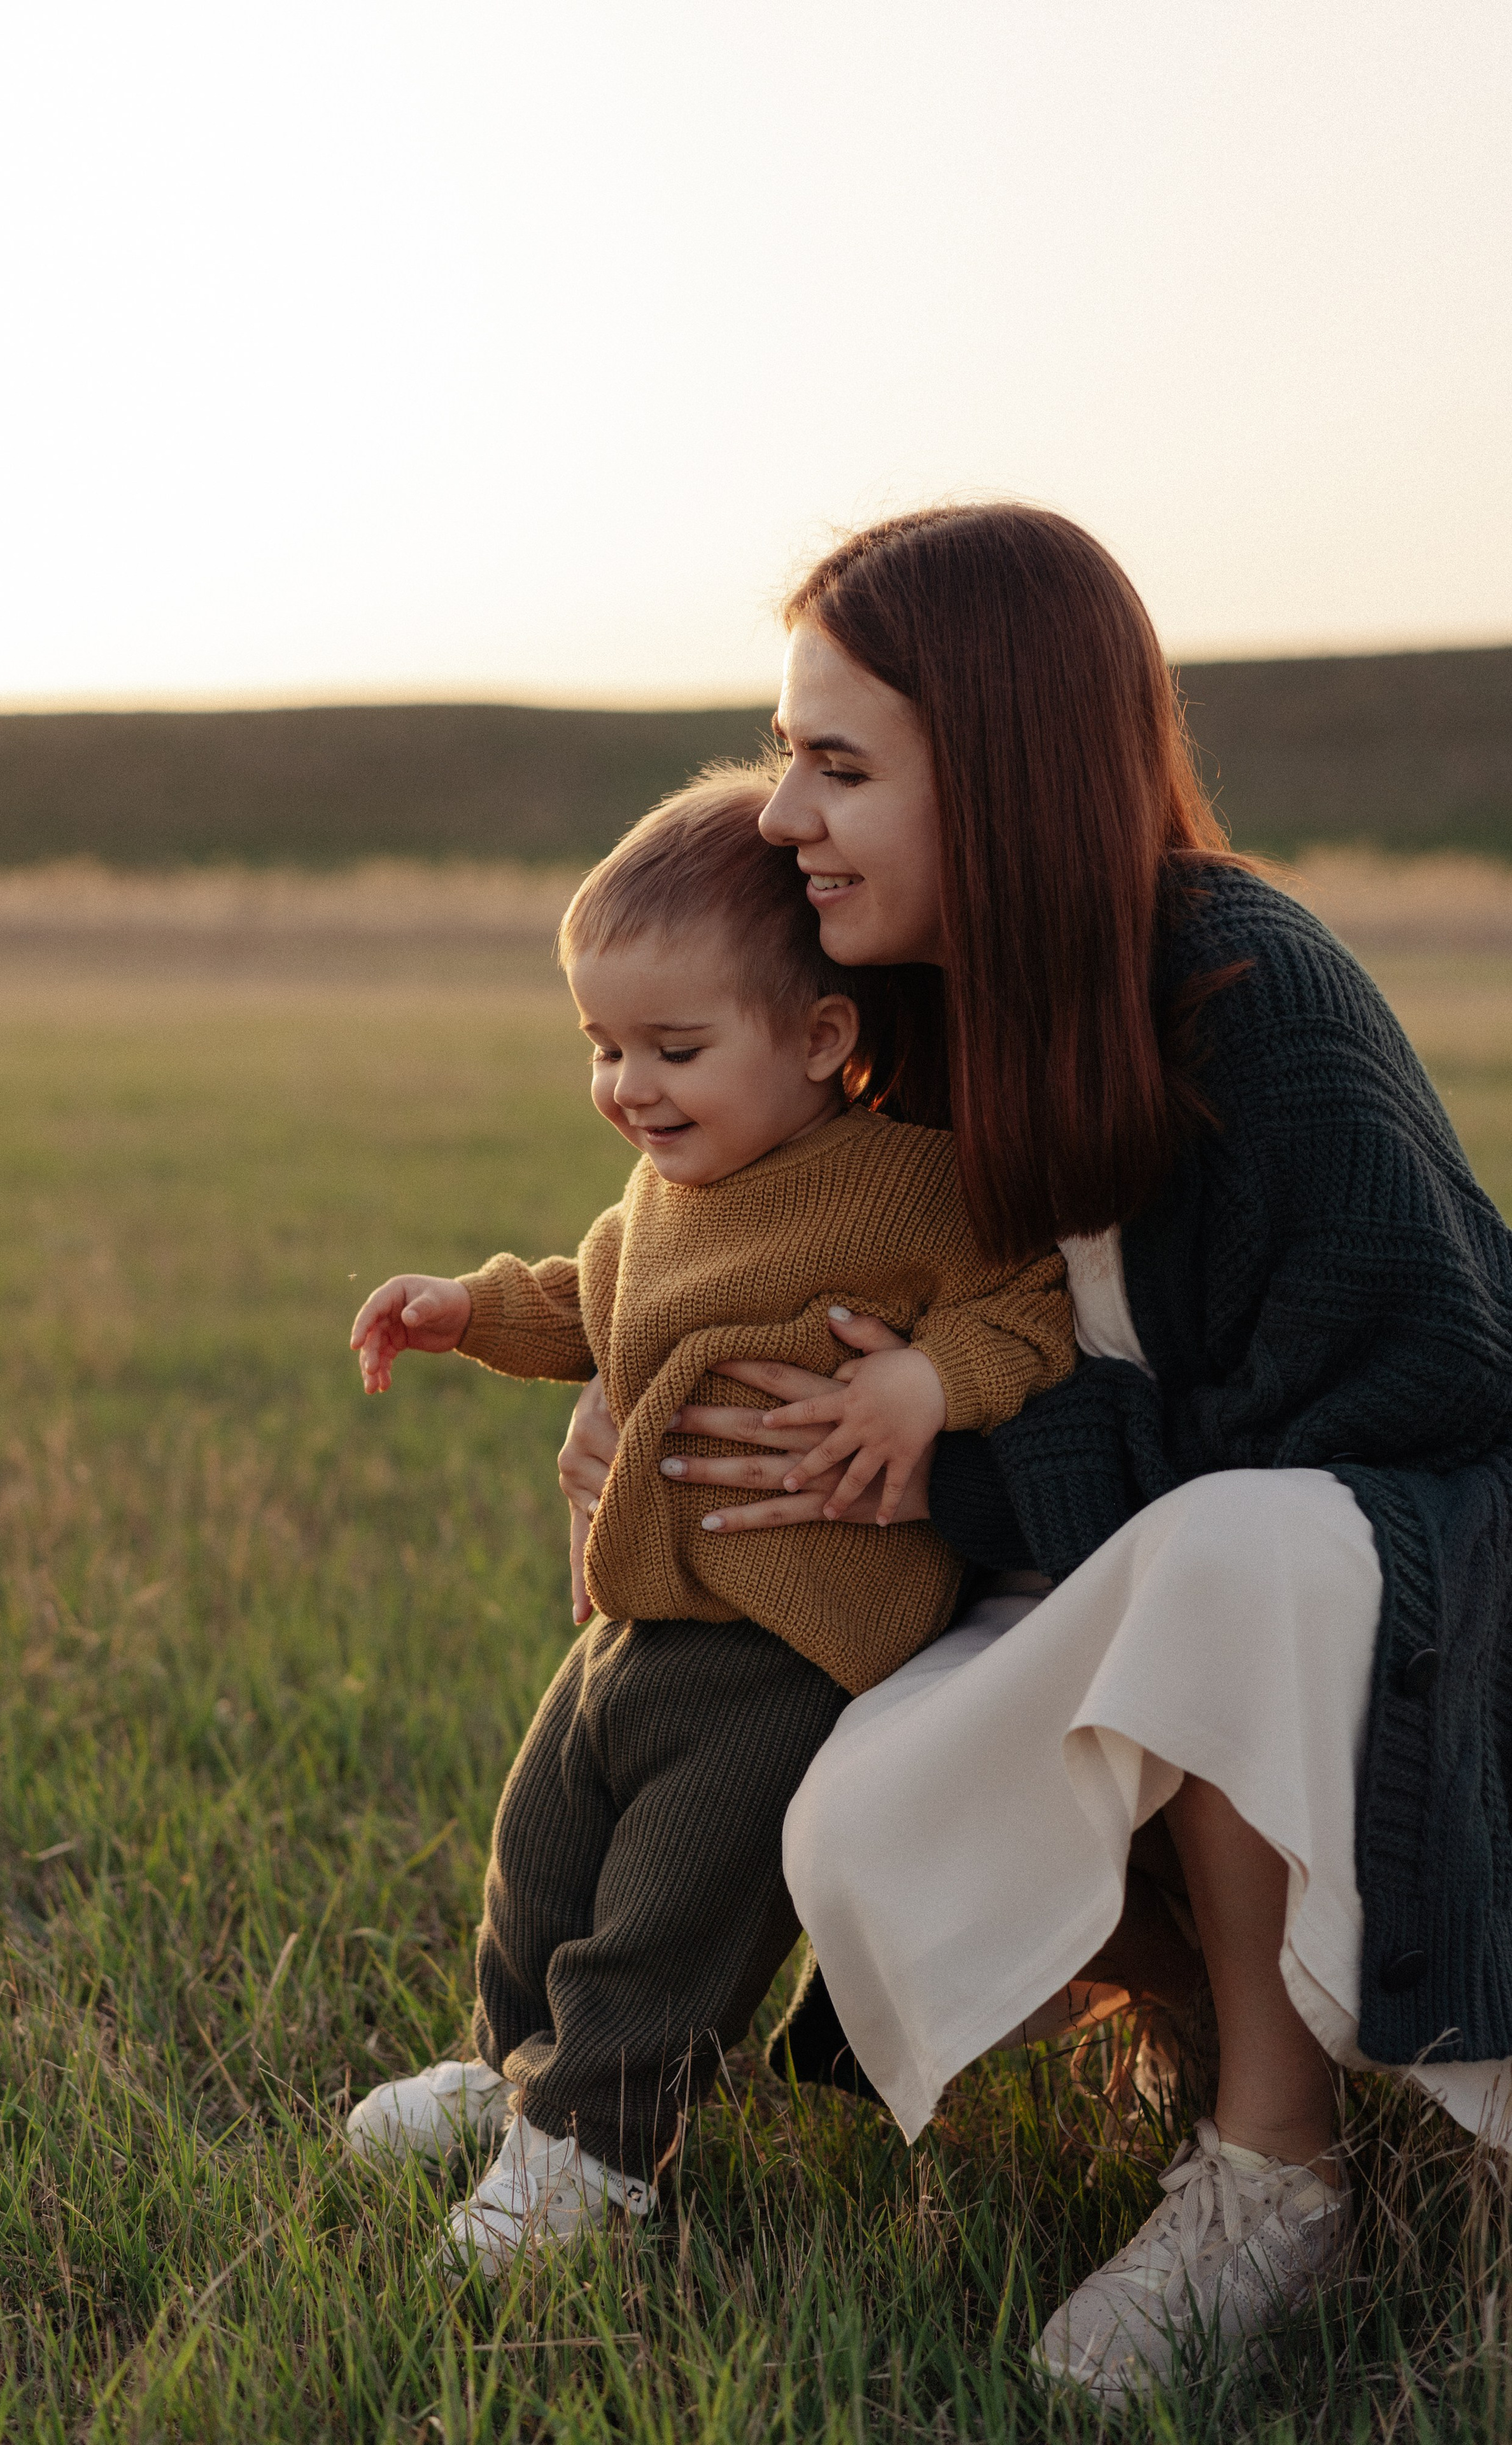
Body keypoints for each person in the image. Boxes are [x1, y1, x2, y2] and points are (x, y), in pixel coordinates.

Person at [556, 504, 1512, 2401]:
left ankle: (1278, 2167)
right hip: (1136, 1559)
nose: (778, 816)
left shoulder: (1248, 989)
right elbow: (750, 1241)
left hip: (1397, 1568)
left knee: (1245, 1555)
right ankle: (592, 2060)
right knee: (850, 1823)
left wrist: (969, 1471)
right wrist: (632, 1382)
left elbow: (1431, 1386)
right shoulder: (911, 1008)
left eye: (837, 765)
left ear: (997, 766)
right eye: (782, 756)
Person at [343, 768, 1074, 2275]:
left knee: (676, 1907)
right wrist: (468, 1309)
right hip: (637, 1617)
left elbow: (1030, 1309)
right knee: (540, 1852)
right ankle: (511, 2072)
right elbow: (590, 1304)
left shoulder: (903, 1188)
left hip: (789, 1638)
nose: (629, 1085)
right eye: (603, 1047)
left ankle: (597, 2154)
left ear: (819, 1039)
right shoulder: (664, 1193)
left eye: (676, 1047)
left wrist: (930, 1382)